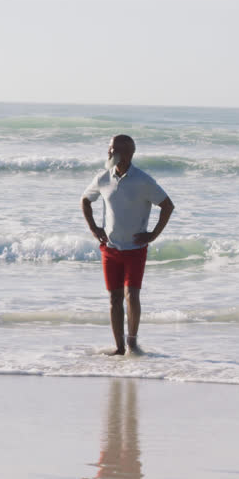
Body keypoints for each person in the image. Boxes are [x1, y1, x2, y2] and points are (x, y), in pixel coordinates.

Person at [81, 135, 174, 356]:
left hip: (135, 250)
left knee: (131, 295)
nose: (109, 154)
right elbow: (85, 200)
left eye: (113, 150)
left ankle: (132, 343)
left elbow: (167, 206)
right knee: (114, 298)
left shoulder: (143, 181)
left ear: (128, 154)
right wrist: (95, 229)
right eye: (109, 150)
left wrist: (152, 235)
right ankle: (119, 346)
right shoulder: (103, 177)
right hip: (110, 249)